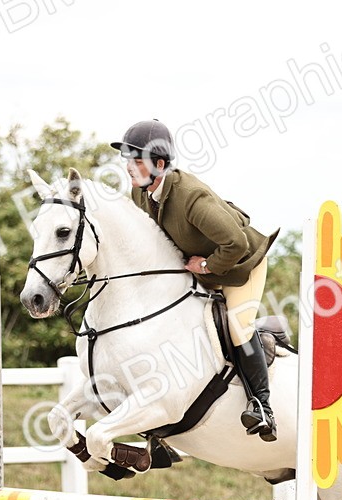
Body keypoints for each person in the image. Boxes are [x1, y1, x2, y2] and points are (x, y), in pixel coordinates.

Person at [111, 119, 280, 442]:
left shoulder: (191, 197)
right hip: (198, 265)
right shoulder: (139, 193)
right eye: (127, 159)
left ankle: (262, 406)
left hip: (239, 265)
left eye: (135, 159)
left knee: (236, 325)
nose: (128, 167)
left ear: (159, 165)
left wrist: (204, 265)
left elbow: (237, 244)